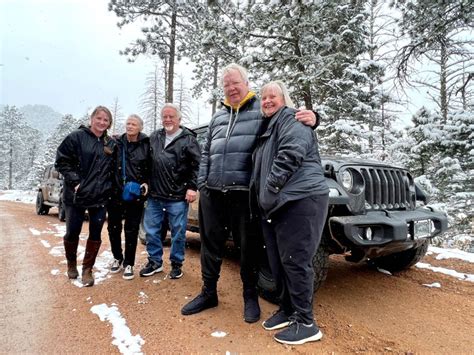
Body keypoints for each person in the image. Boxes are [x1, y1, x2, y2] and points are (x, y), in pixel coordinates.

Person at [181, 63, 317, 323]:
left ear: (246, 83)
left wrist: (313, 117)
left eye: (236, 83)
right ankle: (208, 292)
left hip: (244, 193)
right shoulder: (218, 117)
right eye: (226, 84)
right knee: (210, 246)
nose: (231, 88)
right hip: (213, 193)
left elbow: (288, 124)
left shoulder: (261, 110)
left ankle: (249, 296)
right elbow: (207, 151)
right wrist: (202, 182)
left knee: (248, 249)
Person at [252, 81, 329, 345]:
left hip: (300, 199)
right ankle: (288, 309)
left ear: (284, 99)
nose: (267, 101)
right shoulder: (268, 126)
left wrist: (270, 189)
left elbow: (290, 154)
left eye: (272, 96)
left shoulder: (292, 119)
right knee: (280, 261)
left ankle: (306, 323)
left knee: (296, 261)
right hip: (279, 203)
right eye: (263, 98)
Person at [55, 106, 116, 287]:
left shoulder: (110, 143)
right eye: (99, 118)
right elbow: (61, 161)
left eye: (106, 120)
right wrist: (76, 181)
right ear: (92, 119)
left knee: (95, 233)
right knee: (72, 232)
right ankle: (71, 263)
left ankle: (87, 269)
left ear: (109, 123)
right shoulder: (76, 137)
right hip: (76, 195)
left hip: (99, 197)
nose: (102, 122)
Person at [139, 103, 201, 279]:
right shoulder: (155, 137)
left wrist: (192, 187)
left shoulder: (189, 139)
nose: (167, 119)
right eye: (164, 116)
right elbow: (145, 162)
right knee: (151, 231)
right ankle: (155, 262)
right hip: (155, 195)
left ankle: (176, 264)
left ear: (179, 119)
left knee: (178, 233)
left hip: (177, 196)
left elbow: (198, 165)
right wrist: (144, 182)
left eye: (171, 116)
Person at [107, 114, 150, 280]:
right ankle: (117, 257)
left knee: (131, 229)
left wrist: (147, 183)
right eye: (128, 123)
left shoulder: (146, 144)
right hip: (115, 193)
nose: (129, 126)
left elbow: (151, 167)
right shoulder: (117, 142)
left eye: (133, 124)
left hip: (135, 194)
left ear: (140, 127)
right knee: (113, 228)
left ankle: (129, 263)